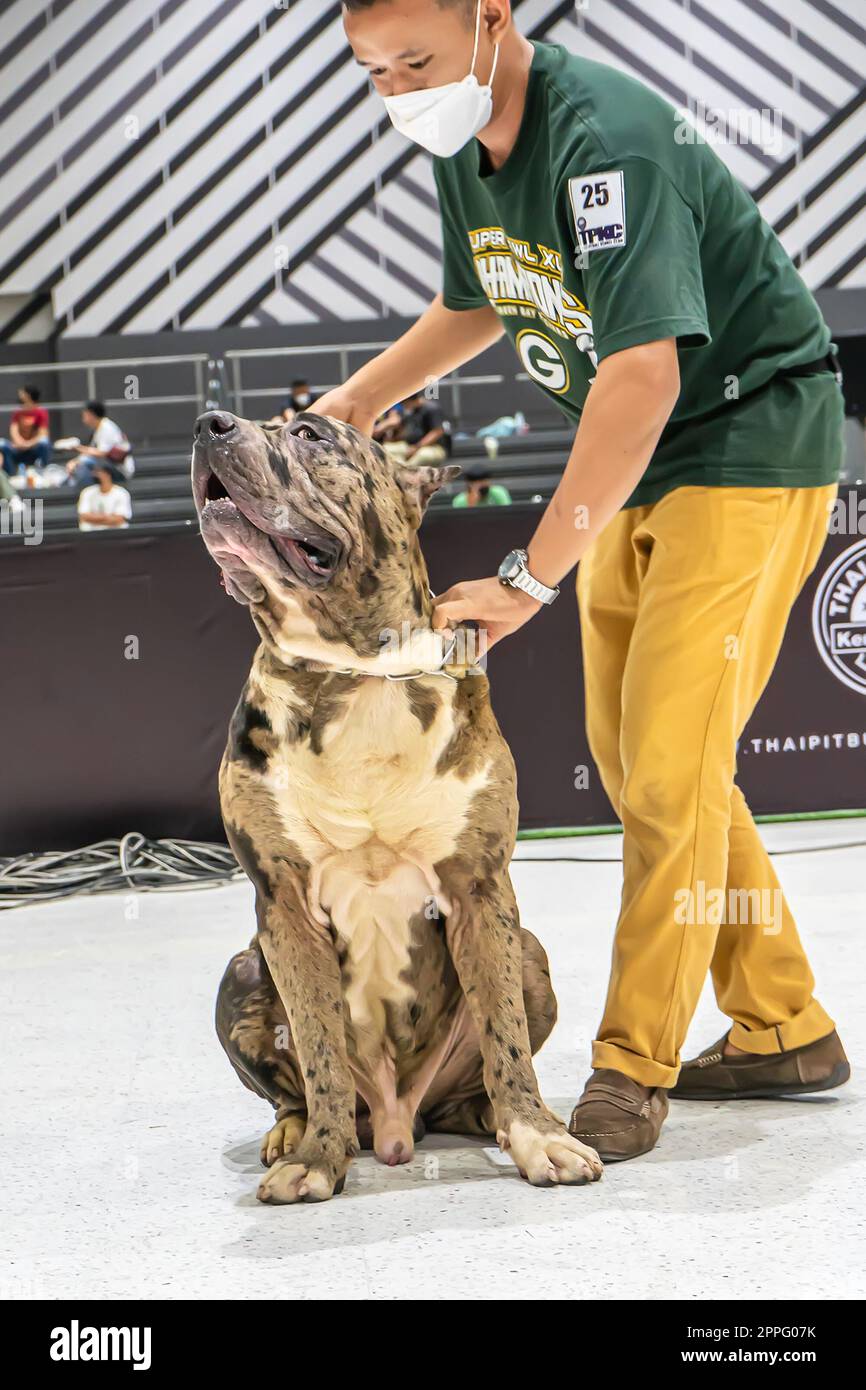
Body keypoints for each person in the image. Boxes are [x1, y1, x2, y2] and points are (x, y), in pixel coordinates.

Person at [316, 0, 850, 1161]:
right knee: (644, 762)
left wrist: (526, 575)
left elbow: (641, 374)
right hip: (641, 465)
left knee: (665, 771)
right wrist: (360, 398)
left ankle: (631, 1063)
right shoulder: (469, 148)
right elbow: (478, 301)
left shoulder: (605, 139)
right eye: (371, 70)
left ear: (492, 19)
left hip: (741, 443)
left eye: (416, 59)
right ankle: (781, 1024)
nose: (398, 89)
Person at [64, 402, 135, 488]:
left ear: (91, 415)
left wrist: (78, 449)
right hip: (108, 466)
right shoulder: (99, 428)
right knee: (83, 464)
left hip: (120, 471)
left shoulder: (107, 428)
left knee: (87, 464)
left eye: (85, 415)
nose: (83, 419)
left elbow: (102, 453)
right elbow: (92, 450)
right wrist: (75, 461)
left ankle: (80, 491)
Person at [384, 389, 452, 465]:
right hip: (410, 446)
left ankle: (406, 472)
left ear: (409, 401)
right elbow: (406, 432)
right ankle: (396, 470)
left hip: (433, 448)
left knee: (421, 457)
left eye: (404, 404)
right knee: (386, 448)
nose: (404, 407)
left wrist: (417, 447)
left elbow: (437, 431)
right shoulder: (411, 411)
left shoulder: (431, 408)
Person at [1, 385, 51, 476]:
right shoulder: (18, 412)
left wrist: (28, 444)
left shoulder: (41, 412)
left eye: (22, 392)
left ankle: (42, 472)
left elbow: (43, 434)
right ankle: (10, 475)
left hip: (33, 447)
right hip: (18, 447)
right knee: (2, 444)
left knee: (44, 442)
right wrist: (20, 442)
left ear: (28, 395)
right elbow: (13, 430)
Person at [76, 461, 132, 531]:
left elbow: (120, 519)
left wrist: (95, 518)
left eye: (98, 471)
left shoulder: (122, 493)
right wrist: (106, 517)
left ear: (108, 474)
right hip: (91, 534)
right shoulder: (87, 492)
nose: (94, 474)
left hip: (116, 533)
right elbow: (83, 517)